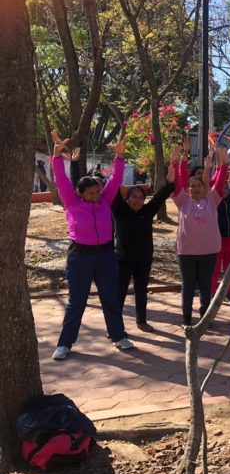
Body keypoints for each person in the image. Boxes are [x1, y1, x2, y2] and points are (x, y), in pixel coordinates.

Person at [49, 131, 133, 360]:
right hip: (80, 257)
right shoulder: (72, 203)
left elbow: (115, 180)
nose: (96, 195)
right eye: (90, 193)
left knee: (110, 299)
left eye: (97, 191)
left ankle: (118, 335)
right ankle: (65, 343)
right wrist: (57, 157)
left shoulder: (105, 200)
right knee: (76, 302)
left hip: (105, 256)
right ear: (80, 193)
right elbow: (61, 181)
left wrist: (120, 157)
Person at [112, 149, 176, 333]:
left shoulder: (147, 211)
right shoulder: (119, 210)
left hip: (143, 260)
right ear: (126, 199)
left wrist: (171, 178)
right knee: (119, 293)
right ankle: (115, 326)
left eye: (141, 197)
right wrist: (119, 159)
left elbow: (161, 196)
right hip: (123, 260)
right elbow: (113, 188)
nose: (138, 200)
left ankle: (141, 321)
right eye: (134, 196)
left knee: (141, 291)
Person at [172, 146, 229, 327]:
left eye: (199, 185)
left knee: (205, 286)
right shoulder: (182, 200)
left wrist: (223, 164)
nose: (196, 188)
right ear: (187, 189)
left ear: (204, 186)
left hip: (209, 251)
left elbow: (220, 180)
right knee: (188, 286)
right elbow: (178, 181)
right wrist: (179, 162)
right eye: (192, 186)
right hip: (187, 252)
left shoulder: (212, 199)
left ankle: (205, 318)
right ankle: (186, 319)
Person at [211, 160, 230, 306]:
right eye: (221, 187)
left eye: (226, 187)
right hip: (217, 239)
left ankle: (229, 293)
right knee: (215, 269)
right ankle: (212, 292)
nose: (224, 190)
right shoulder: (213, 201)